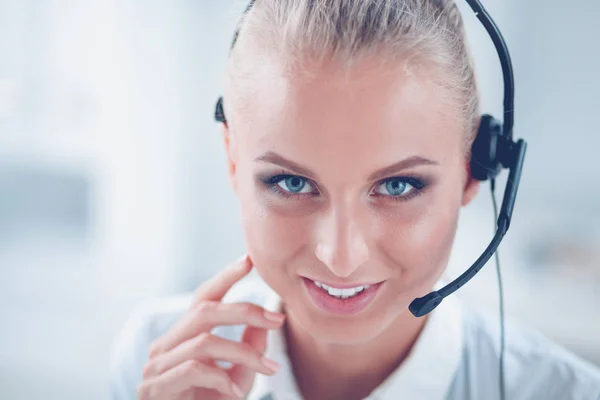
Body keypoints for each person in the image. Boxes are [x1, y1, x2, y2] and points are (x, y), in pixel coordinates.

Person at [108, 1, 600, 399]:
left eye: (397, 186)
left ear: (475, 170)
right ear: (233, 161)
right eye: (292, 183)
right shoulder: (157, 361)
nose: (340, 257)